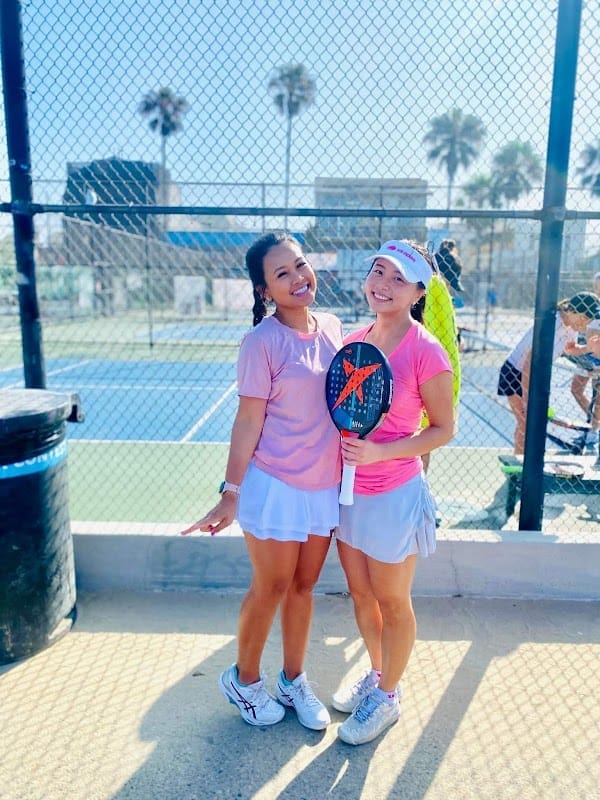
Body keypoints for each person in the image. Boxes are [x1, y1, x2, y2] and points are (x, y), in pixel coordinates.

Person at [181, 231, 343, 730]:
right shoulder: (260, 343)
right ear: (264, 291)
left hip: (324, 487)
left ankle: (293, 681)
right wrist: (230, 494)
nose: (298, 278)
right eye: (282, 274)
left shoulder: (335, 328)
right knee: (271, 585)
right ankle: (244, 680)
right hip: (274, 485)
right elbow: (248, 421)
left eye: (299, 265)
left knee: (304, 586)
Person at [331, 240, 455, 746]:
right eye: (377, 272)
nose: (381, 284)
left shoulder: (426, 350)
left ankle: (388, 697)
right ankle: (379, 676)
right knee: (361, 594)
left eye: (397, 278)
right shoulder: (356, 339)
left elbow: (444, 428)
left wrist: (383, 453)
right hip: (346, 493)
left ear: (417, 291)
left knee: (393, 600)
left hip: (394, 494)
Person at [497, 291, 600, 455]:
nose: (585, 324)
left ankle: (522, 464)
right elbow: (528, 364)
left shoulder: (569, 326)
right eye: (584, 318)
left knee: (529, 424)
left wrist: (589, 347)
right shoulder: (551, 323)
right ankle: (520, 469)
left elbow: (569, 348)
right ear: (573, 311)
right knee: (526, 424)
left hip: (535, 374)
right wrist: (527, 399)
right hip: (516, 374)